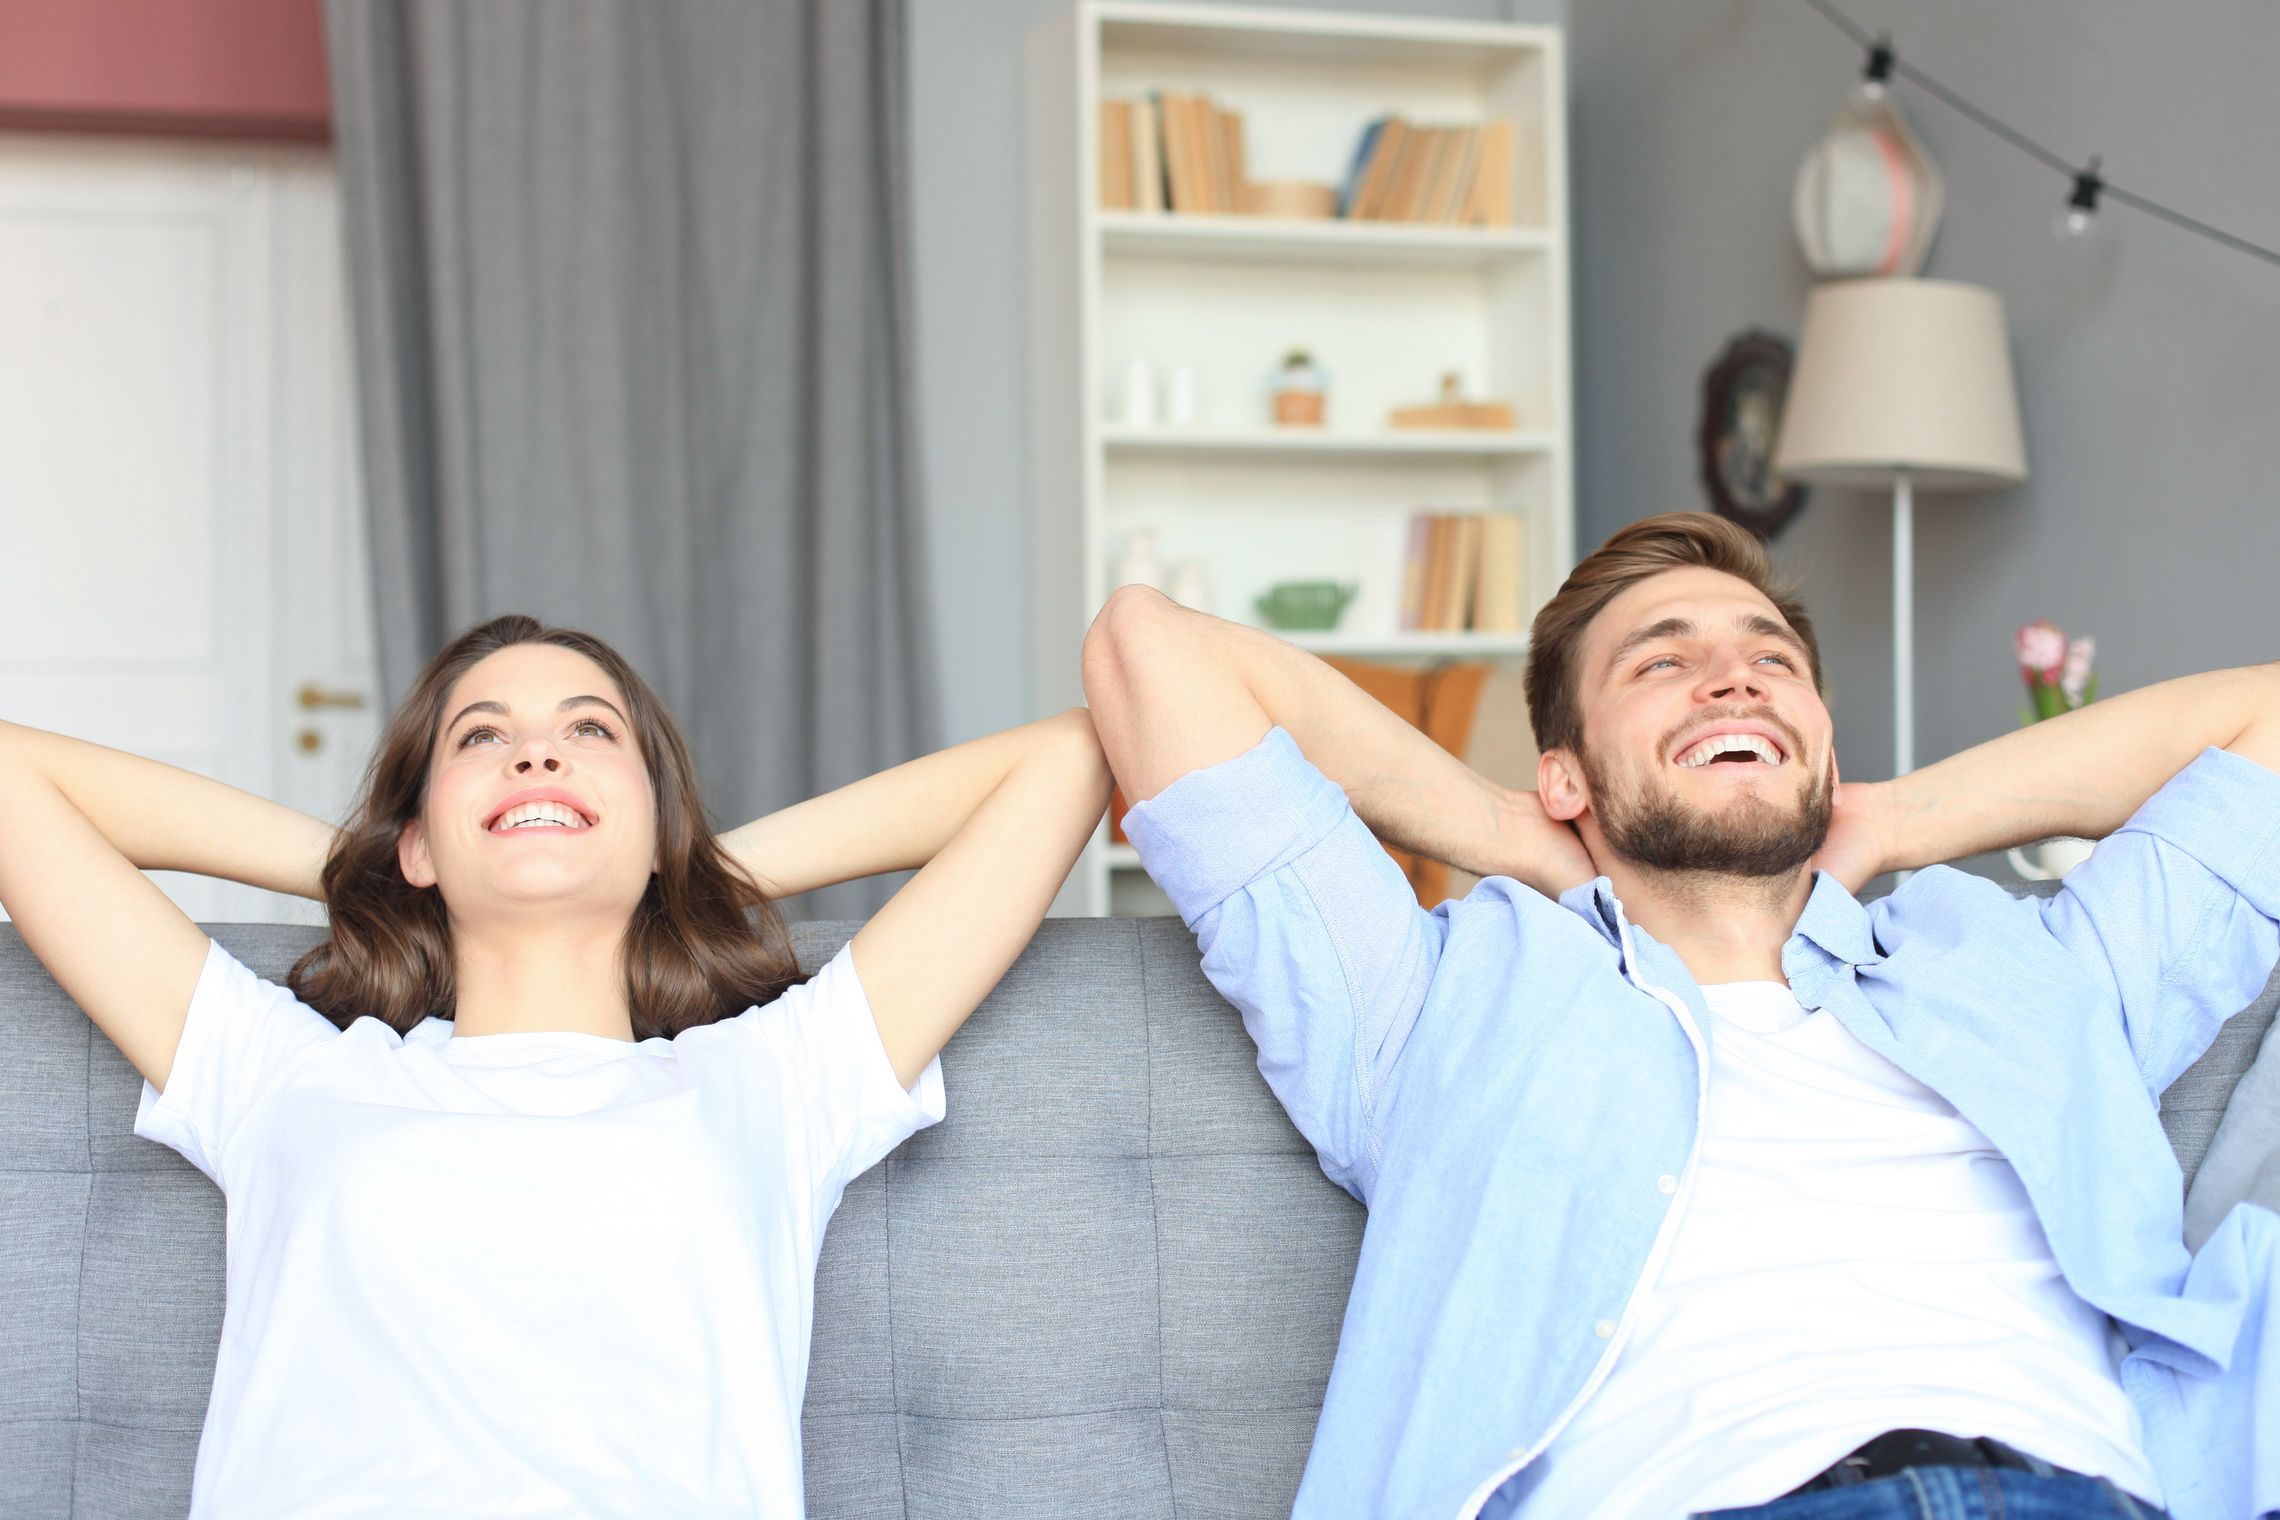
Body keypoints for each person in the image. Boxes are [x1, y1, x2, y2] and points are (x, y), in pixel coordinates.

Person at [1081, 512, 2279, 1520]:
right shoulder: (1436, 1007)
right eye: (1660, 662)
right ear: (1566, 771)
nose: (1734, 675)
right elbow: (1152, 651)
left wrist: (1896, 815)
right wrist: (1520, 834)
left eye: (1773, 660)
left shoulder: (2024, 973)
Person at [0, 614, 1110, 1519]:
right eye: (481, 737)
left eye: (590, 731)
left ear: (660, 822)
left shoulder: (779, 1075)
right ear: (418, 836)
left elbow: (1063, 760)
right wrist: (369, 869)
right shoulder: (284, 1071)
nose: (537, 751)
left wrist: (695, 870)